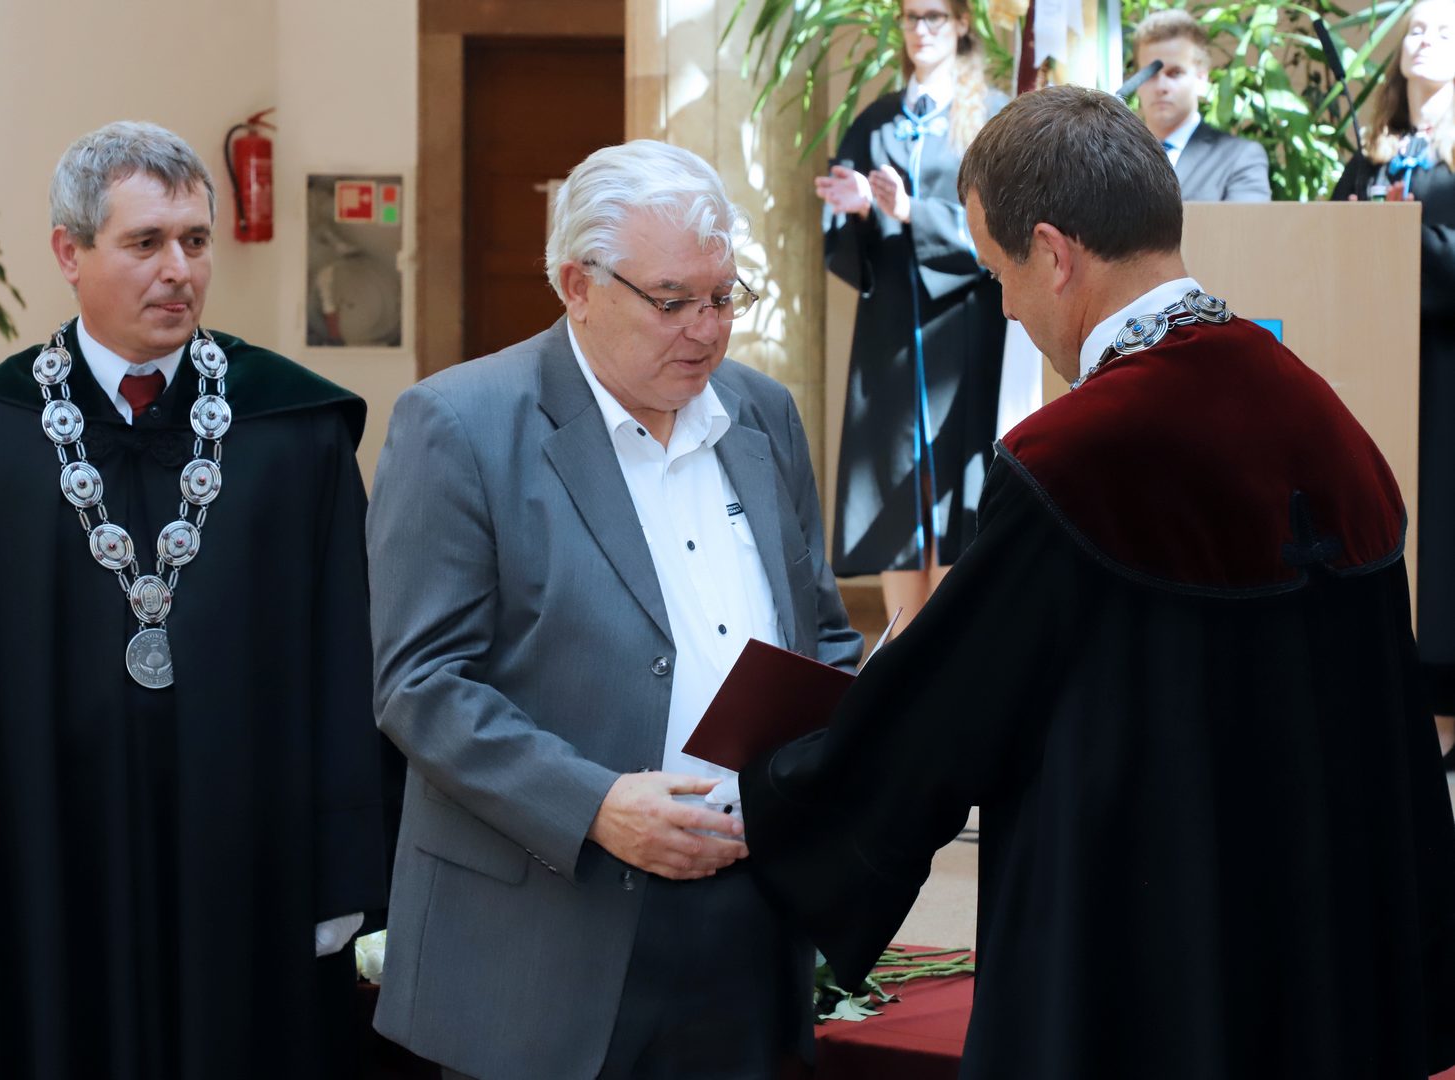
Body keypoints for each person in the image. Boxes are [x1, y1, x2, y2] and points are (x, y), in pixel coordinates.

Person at [742, 86, 1455, 1079]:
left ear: (1052, 253)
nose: (1004, 305)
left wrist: (773, 782)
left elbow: (944, 717)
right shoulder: (1326, 421)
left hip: (1143, 965)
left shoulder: (1074, 457)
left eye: (997, 273)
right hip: (1318, 967)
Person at [0, 121, 399, 1080]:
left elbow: (348, 657)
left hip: (248, 875)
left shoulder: (295, 436)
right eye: (146, 242)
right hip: (35, 871)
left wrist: (344, 863)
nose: (179, 270)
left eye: (195, 240)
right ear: (70, 252)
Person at [368, 139, 862, 1080]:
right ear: (578, 286)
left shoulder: (762, 415)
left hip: (747, 922)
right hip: (543, 938)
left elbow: (822, 634)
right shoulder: (460, 424)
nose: (705, 330)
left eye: (723, 297)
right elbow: (419, 685)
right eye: (671, 300)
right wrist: (593, 806)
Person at [818, 0, 1010, 627]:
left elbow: (1008, 230)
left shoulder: (994, 116)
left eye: (934, 17)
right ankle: (902, 647)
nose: (921, 30)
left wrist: (912, 214)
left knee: (961, 491)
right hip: (892, 335)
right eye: (910, 18)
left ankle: (951, 650)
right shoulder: (874, 122)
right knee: (894, 495)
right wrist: (857, 213)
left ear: (962, 23)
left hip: (968, 330)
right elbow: (843, 247)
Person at [1334, 0, 1455, 765]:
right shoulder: (1371, 154)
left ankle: (1444, 706)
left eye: (1445, 30)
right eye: (1416, 28)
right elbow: (1329, 245)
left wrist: (1401, 240)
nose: (1425, 39)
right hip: (1373, 364)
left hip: (1444, 368)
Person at [1132, 9, 1272, 202]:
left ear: (1201, 78)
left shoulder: (1239, 157)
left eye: (1175, 73)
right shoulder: (1112, 157)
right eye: (1150, 74)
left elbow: (1247, 222)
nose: (1161, 86)